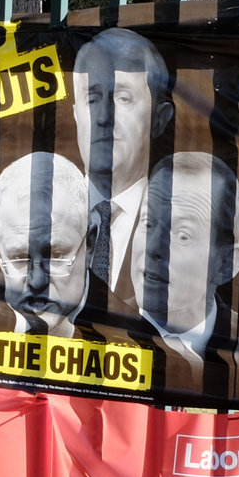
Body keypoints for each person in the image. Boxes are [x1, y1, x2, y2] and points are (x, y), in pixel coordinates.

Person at [72, 28, 174, 309]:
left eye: (123, 98)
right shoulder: (43, 215)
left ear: (159, 119)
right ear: (75, 116)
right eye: (92, 99)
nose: (104, 117)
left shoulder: (180, 227)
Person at [132, 151, 239, 393]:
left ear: (225, 265)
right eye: (148, 224)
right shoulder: (95, 328)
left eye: (182, 235)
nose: (152, 249)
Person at [0, 152, 93, 337]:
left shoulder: (131, 340)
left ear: (90, 246)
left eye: (55, 256)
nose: (37, 281)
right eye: (19, 258)